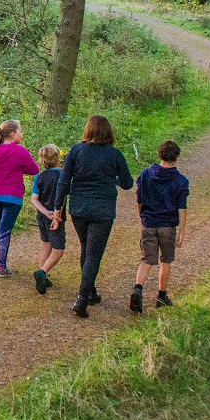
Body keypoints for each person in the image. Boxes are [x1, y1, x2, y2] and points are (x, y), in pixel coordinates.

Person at [52, 114, 134, 318]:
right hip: (102, 209)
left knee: (86, 249)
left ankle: (91, 291)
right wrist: (112, 179)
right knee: (94, 253)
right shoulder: (114, 154)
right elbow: (127, 183)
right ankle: (82, 298)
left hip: (78, 208)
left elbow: (63, 181)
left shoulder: (76, 150)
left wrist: (57, 208)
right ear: (108, 132)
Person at [131, 140, 190, 313]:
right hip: (168, 226)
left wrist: (142, 216)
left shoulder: (146, 174)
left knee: (147, 259)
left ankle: (138, 289)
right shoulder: (180, 181)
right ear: (176, 158)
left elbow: (139, 199)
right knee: (166, 259)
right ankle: (161, 296)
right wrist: (182, 230)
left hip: (149, 223)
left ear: (159, 155)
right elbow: (182, 207)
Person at [0, 121, 40, 278]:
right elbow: (35, 169)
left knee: (2, 226)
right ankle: (1, 266)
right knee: (5, 229)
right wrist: (20, 166)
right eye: (20, 131)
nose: (22, 134)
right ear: (13, 134)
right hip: (13, 196)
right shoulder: (20, 151)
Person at [29, 144, 66, 294]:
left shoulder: (39, 177)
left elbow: (34, 199)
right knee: (58, 250)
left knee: (46, 245)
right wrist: (55, 215)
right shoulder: (62, 176)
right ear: (57, 158)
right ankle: (42, 273)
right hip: (56, 218)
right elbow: (61, 198)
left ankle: (43, 276)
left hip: (43, 217)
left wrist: (46, 213)